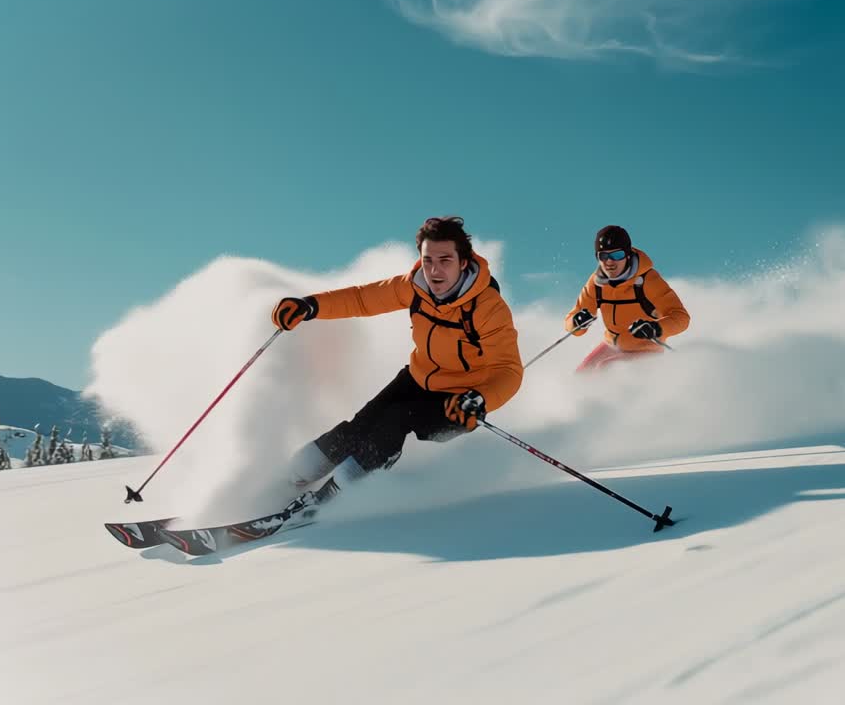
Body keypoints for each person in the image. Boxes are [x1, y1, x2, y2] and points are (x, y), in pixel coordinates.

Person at [269, 216, 524, 510]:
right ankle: (292, 477)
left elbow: (509, 370)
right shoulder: (414, 288)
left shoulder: (488, 308)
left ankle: (338, 493)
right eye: (428, 260)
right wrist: (311, 306)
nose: (435, 270)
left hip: (458, 402)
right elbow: (362, 299)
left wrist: (481, 399)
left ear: (463, 262)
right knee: (361, 424)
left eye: (445, 260)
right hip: (417, 378)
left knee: (395, 420)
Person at [565, 225, 690, 371]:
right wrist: (576, 321)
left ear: (628, 254)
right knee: (583, 373)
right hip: (614, 344)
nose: (610, 262)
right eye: (603, 256)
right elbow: (575, 319)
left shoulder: (647, 280)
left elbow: (681, 318)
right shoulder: (597, 283)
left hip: (647, 350)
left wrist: (656, 328)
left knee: (607, 368)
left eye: (617, 255)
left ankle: (616, 394)